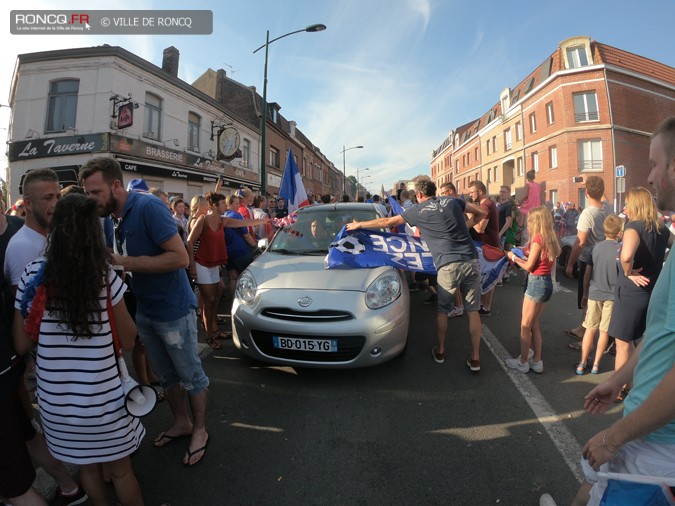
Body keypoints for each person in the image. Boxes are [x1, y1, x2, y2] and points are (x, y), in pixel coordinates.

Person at [570, 117, 675, 506]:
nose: (648, 176)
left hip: (662, 447)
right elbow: (661, 333)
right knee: (590, 490)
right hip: (646, 428)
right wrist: (619, 380)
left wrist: (613, 437)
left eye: (653, 164)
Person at [79, 157, 210, 467]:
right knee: (165, 376)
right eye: (87, 193)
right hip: (146, 310)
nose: (90, 200)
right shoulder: (111, 217)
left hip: (174, 310)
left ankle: (201, 431)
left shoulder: (148, 207)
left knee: (190, 375)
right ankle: (182, 423)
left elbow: (179, 258)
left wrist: (125, 263)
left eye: (95, 192)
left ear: (115, 185)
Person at [13, 194, 143, 505]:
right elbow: (127, 339)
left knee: (88, 471)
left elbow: (21, 344)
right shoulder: (104, 276)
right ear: (93, 233)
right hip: (104, 402)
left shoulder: (32, 275)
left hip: (58, 408)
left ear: (54, 228)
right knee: (122, 472)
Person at [347, 180, 487, 371]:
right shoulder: (452, 201)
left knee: (443, 311)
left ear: (419, 195)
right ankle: (476, 358)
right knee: (472, 311)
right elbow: (482, 213)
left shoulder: (418, 210)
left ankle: (440, 351)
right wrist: (467, 225)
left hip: (447, 264)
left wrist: (360, 225)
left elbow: (387, 222)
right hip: (471, 259)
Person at [606, 187, 672, 401]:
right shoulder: (661, 228)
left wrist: (628, 273)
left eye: (627, 203)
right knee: (635, 339)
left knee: (623, 342)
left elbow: (625, 257)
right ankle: (631, 383)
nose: (624, 208)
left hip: (632, 292)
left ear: (635, 205)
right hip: (651, 290)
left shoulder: (633, 227)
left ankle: (617, 389)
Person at [504, 207, 560, 373]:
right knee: (534, 324)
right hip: (546, 282)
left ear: (536, 221)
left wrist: (513, 257)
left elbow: (528, 266)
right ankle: (537, 361)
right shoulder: (550, 237)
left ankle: (522, 362)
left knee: (525, 325)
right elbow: (540, 259)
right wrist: (523, 251)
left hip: (536, 282)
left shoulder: (537, 238)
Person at [564, 176, 613, 341]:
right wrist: (597, 186)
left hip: (590, 258)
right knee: (600, 293)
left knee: (587, 294)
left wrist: (570, 264)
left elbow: (580, 242)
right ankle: (585, 327)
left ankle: (584, 330)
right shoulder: (607, 208)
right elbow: (603, 197)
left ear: (586, 192)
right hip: (606, 257)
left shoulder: (587, 213)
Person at [576, 215, 624, 376]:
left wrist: (585, 293)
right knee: (604, 332)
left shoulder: (596, 247)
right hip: (612, 295)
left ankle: (582, 363)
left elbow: (587, 273)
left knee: (590, 329)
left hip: (595, 293)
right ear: (619, 232)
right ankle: (596, 364)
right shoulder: (620, 249)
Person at [467, 180, 500, 316]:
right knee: (484, 276)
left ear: (479, 192)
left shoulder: (486, 205)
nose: (470, 194)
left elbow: (480, 229)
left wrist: (470, 213)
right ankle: (483, 304)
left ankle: (486, 307)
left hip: (488, 247)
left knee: (487, 277)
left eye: (472, 192)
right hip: (487, 246)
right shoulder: (487, 203)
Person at [517, 170, 542, 241]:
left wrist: (520, 201)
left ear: (527, 177)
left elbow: (526, 195)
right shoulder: (538, 185)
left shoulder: (528, 185)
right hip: (536, 206)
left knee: (522, 210)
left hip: (529, 205)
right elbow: (538, 195)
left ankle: (519, 229)